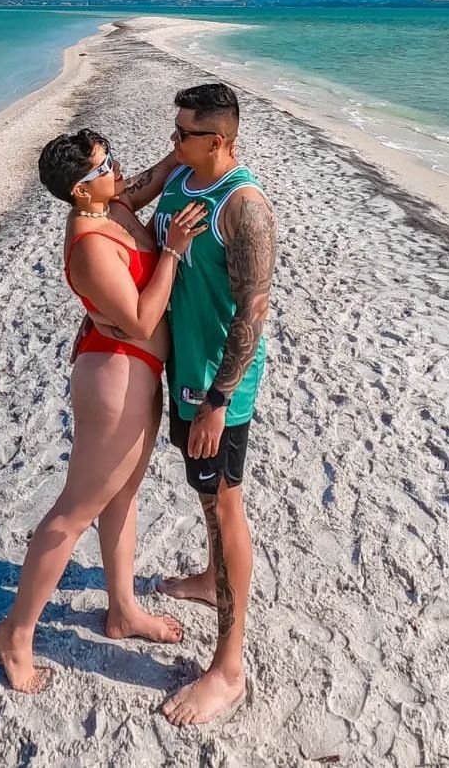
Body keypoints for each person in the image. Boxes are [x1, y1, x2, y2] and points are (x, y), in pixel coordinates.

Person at [0, 129, 208, 693]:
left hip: (137, 370)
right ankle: (16, 633)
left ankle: (123, 610)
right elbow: (140, 319)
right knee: (74, 512)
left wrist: (190, 143)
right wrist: (172, 251)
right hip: (115, 375)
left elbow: (159, 174)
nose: (116, 168)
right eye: (103, 166)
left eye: (110, 157)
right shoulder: (90, 240)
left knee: (122, 496)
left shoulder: (112, 204)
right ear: (79, 190)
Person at [151, 83, 277, 726]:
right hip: (183, 372)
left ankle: (229, 669)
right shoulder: (180, 173)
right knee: (207, 495)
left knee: (226, 504)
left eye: (184, 133)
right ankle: (209, 578)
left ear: (219, 140)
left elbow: (253, 314)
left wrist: (219, 401)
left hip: (215, 388)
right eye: (174, 130)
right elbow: (124, 197)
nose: (173, 140)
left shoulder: (244, 209)